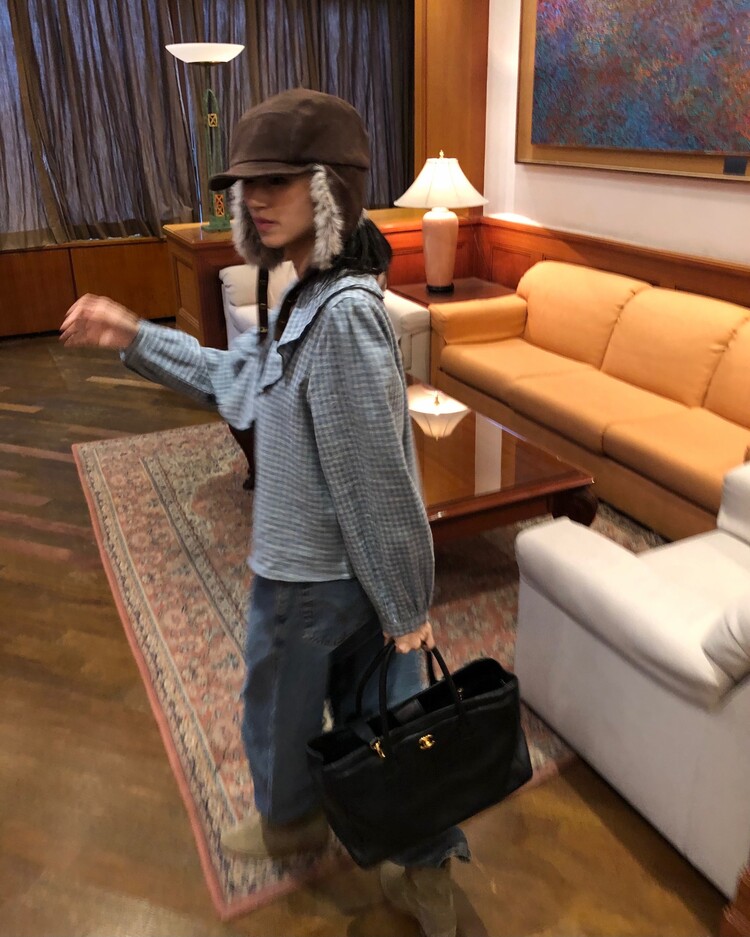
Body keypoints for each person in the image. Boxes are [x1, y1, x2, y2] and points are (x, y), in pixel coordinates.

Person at [61, 88, 469, 937]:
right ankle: (364, 843)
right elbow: (238, 381)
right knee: (358, 714)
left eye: (276, 181)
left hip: (309, 580)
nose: (253, 198)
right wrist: (135, 333)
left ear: (329, 188)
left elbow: (377, 481)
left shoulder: (343, 316)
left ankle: (353, 844)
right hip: (312, 571)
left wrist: (406, 606)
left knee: (304, 714)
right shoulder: (301, 294)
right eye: (246, 183)